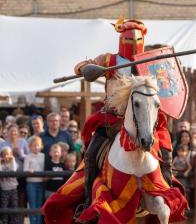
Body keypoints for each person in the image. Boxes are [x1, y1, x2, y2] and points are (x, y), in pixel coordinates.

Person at [43, 19, 175, 222]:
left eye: (137, 38)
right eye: (129, 38)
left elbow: (163, 86)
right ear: (122, 38)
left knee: (165, 148)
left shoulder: (149, 62)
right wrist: (87, 68)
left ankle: (167, 190)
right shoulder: (108, 59)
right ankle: (87, 201)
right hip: (111, 120)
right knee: (91, 153)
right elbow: (80, 67)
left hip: (142, 119)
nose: (133, 42)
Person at [23, 136, 45, 224]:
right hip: (31, 183)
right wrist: (29, 170)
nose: (36, 147)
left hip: (41, 183)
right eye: (34, 145)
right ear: (30, 147)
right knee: (32, 205)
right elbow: (25, 169)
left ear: (41, 146)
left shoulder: (43, 156)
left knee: (39, 206)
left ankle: (39, 222)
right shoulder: (28, 157)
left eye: (38, 145)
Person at [0, 146, 19, 224]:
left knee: (14, 208)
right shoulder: (2, 165)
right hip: (4, 189)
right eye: (4, 155)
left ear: (11, 155)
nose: (6, 156)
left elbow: (14, 170)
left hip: (13, 189)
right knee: (4, 209)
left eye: (8, 154)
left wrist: (13, 160)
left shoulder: (14, 163)